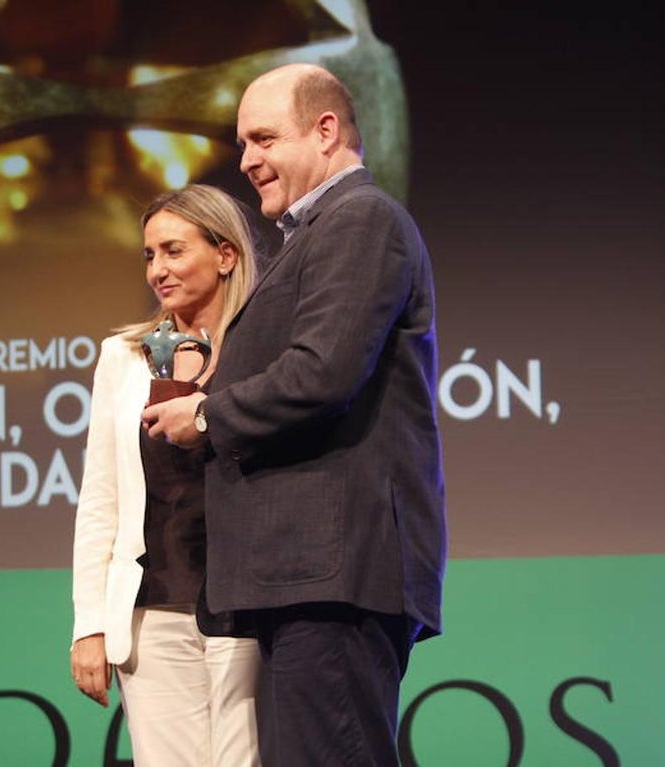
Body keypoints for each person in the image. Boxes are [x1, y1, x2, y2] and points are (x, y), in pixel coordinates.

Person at [141, 63, 447, 766]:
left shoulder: (362, 219)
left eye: (264, 138)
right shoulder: (314, 232)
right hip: (302, 574)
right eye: (242, 142)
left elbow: (322, 372)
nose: (246, 160)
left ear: (327, 130)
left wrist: (209, 414)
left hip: (332, 570)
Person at [70, 184, 263, 766]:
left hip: (248, 604)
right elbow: (100, 496)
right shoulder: (122, 356)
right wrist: (90, 624)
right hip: (151, 607)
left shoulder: (263, 350)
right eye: (150, 255)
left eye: (174, 251)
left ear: (225, 255)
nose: (158, 270)